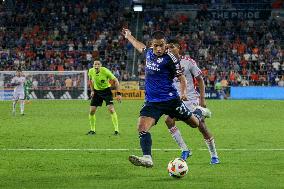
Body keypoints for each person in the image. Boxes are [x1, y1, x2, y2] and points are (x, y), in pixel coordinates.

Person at [122, 28, 210, 168]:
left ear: (165, 44)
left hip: (171, 101)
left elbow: (182, 78)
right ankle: (147, 158)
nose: (158, 48)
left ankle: (200, 111)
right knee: (141, 127)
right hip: (152, 102)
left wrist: (183, 93)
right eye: (155, 45)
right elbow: (139, 46)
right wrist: (129, 36)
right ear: (152, 44)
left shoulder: (170, 58)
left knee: (194, 123)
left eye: (161, 45)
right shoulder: (149, 52)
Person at [165, 39, 220, 164]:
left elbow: (200, 80)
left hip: (191, 100)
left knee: (201, 127)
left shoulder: (188, 62)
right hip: (177, 101)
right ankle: (185, 150)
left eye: (172, 47)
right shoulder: (167, 64)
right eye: (167, 47)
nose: (169, 49)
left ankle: (214, 155)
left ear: (179, 48)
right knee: (169, 121)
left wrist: (202, 99)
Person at [87, 60, 122, 135]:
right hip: (97, 92)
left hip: (106, 91)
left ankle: (116, 131)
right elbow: (90, 81)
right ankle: (92, 130)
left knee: (111, 110)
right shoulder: (90, 71)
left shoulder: (106, 71)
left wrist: (118, 93)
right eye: (95, 64)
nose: (96, 65)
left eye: (98, 64)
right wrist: (92, 91)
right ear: (93, 65)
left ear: (101, 65)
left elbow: (116, 81)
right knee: (92, 111)